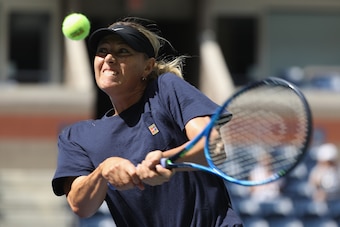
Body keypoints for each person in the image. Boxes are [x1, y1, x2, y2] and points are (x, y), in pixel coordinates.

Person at [52, 17, 243, 227]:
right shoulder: (76, 137)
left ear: (147, 66)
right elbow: (81, 206)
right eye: (102, 50)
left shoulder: (165, 89)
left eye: (122, 51)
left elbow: (213, 147)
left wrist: (166, 161)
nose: (109, 58)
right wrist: (103, 171)